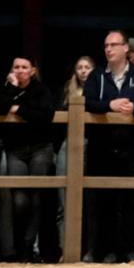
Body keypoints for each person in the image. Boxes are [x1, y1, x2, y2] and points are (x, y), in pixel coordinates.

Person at [82, 30, 134, 262]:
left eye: (114, 44)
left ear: (125, 49)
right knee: (104, 203)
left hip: (131, 149)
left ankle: (129, 250)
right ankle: (106, 250)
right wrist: (109, 105)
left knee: (133, 202)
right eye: (106, 45)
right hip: (101, 149)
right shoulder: (96, 76)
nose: (109, 49)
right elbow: (86, 103)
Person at [0, 56, 57, 261]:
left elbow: (45, 115)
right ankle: (21, 244)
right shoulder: (7, 89)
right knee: (19, 200)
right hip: (16, 150)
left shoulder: (41, 90)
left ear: (32, 71)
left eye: (24, 67)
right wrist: (11, 87)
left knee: (36, 197)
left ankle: (29, 248)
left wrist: (19, 109)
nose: (20, 70)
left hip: (40, 149)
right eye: (16, 67)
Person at [56, 56, 95, 249]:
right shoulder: (66, 91)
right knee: (64, 201)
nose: (83, 71)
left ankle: (88, 248)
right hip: (68, 144)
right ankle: (66, 249)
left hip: (90, 143)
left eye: (87, 67)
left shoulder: (98, 90)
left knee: (88, 202)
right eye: (79, 67)